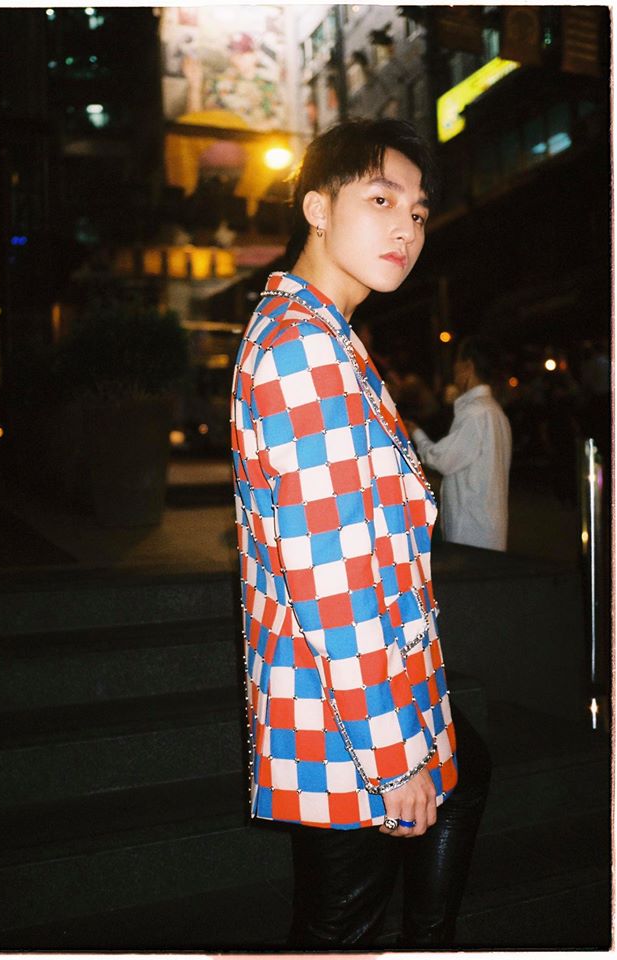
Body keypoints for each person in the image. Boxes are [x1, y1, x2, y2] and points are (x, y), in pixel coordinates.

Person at [230, 118, 491, 948]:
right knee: (339, 930)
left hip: (374, 688)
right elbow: (331, 580)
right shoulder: (304, 352)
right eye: (380, 200)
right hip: (344, 715)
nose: (405, 227)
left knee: (467, 772)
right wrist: (394, 757)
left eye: (416, 211)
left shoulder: (328, 337)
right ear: (316, 208)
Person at [406, 336, 512, 551]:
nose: (453, 369)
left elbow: (442, 459)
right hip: (488, 528)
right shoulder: (495, 412)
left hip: (472, 530)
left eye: (456, 361)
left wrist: (415, 433)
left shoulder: (476, 413)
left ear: (468, 366)